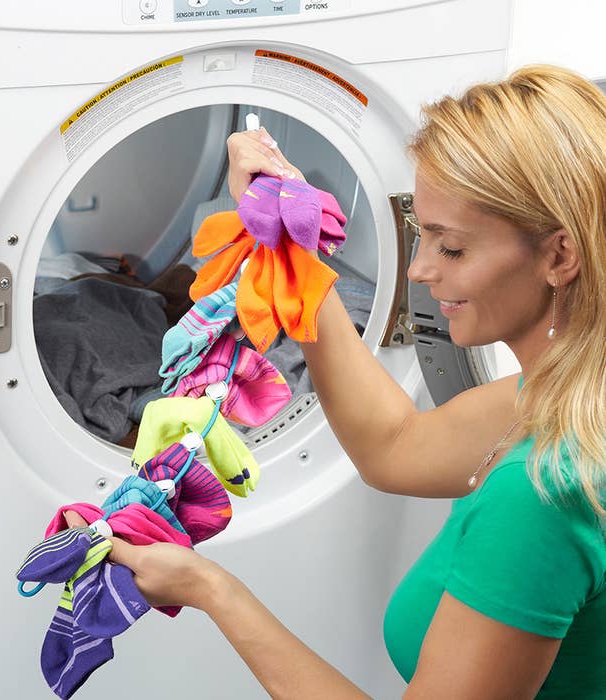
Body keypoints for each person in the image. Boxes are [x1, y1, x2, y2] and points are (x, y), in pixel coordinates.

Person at [65, 64, 606, 698]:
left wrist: (210, 588)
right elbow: (395, 446)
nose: (420, 270)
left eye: (452, 247)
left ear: (560, 255)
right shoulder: (572, 397)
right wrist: (287, 244)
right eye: (419, 235)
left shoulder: (541, 493)